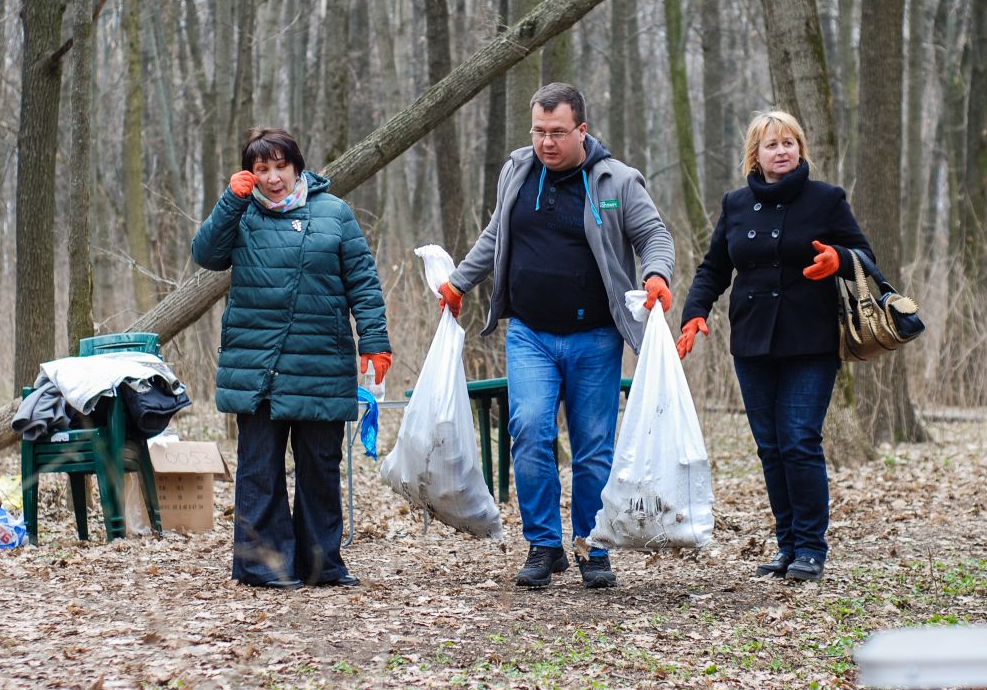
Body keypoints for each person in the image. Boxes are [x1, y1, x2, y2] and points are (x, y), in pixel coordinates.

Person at [439, 83, 675, 589]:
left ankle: (592, 547)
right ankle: (544, 545)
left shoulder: (616, 180)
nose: (547, 142)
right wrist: (459, 282)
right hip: (530, 333)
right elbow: (495, 234)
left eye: (558, 132)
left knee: (593, 447)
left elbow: (654, 235)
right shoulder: (517, 171)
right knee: (529, 431)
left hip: (596, 336)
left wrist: (656, 274)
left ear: (581, 130)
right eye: (539, 131)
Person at [676, 110, 873, 582]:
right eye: (771, 144)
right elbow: (713, 268)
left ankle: (811, 548)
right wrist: (694, 312)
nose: (781, 151)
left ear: (800, 149)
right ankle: (787, 546)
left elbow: (866, 258)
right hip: (752, 342)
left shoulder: (826, 199)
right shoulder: (736, 204)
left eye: (789, 142)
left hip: (811, 341)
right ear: (756, 154)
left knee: (799, 440)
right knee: (771, 447)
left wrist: (839, 258)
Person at [192, 127, 392, 590]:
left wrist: (375, 341)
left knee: (320, 467)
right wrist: (230, 200)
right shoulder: (241, 213)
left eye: (281, 166)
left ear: (297, 167)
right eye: (261, 169)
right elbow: (206, 254)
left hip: (321, 361)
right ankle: (265, 566)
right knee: (260, 468)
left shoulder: (334, 212)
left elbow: (363, 281)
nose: (273, 177)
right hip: (256, 364)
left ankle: (322, 565)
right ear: (250, 174)